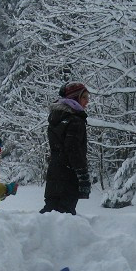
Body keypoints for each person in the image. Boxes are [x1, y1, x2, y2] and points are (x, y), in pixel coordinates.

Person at [40, 82, 91, 215]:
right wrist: (83, 175)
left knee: (50, 213)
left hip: (55, 172)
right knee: (65, 216)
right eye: (84, 97)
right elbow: (73, 150)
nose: (87, 101)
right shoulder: (75, 121)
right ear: (75, 98)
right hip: (68, 175)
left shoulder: (56, 117)